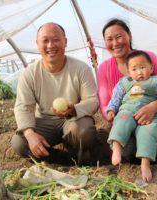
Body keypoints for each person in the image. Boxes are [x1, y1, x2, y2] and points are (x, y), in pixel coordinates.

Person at [11, 23, 99, 165]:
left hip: (71, 119)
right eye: (45, 40)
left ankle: (80, 155)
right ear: (37, 44)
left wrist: (74, 109)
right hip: (44, 122)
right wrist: (29, 134)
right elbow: (23, 107)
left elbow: (92, 100)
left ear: (65, 42)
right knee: (19, 143)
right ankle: (63, 160)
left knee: (84, 131)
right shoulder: (30, 74)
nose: (50, 45)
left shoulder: (81, 69)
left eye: (56, 39)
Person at [97, 18, 157, 161]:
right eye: (109, 39)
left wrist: (154, 107)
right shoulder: (104, 68)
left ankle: (149, 158)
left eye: (119, 37)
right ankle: (135, 157)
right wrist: (114, 114)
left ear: (129, 36)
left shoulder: (148, 58)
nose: (115, 43)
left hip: (152, 120)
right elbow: (105, 104)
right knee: (122, 144)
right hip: (125, 119)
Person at [106, 50, 157, 182]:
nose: (139, 72)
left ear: (151, 68)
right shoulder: (124, 83)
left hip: (150, 117)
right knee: (121, 122)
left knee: (149, 132)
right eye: (134, 69)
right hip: (128, 111)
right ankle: (116, 148)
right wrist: (111, 109)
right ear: (128, 72)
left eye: (143, 67)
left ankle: (145, 164)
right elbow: (115, 98)